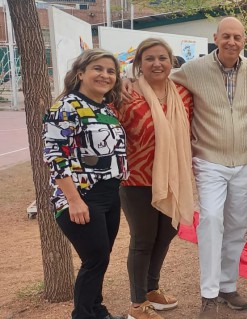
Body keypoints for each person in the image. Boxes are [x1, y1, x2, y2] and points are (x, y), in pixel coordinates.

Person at [122, 17, 247, 318]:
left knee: (238, 227)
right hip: (209, 160)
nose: (231, 42)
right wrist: (125, 77)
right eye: (226, 36)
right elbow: (155, 74)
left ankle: (227, 286)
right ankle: (209, 295)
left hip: (245, 162)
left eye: (237, 37)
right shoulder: (193, 70)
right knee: (211, 220)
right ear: (216, 37)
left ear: (244, 41)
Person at [43, 48, 127, 319]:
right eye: (98, 69)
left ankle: (96, 310)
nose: (105, 75)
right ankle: (83, 314)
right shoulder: (65, 107)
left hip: (109, 193)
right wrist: (74, 200)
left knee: (100, 259)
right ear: (80, 73)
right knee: (95, 259)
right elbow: (56, 157)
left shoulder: (106, 108)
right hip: (81, 195)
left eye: (111, 71)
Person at [114, 38, 194, 319]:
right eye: (149, 58)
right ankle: (138, 306)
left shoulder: (183, 94)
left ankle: (151, 289)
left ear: (171, 62)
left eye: (162, 58)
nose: (157, 63)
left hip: (175, 176)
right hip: (136, 179)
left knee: (168, 232)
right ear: (138, 64)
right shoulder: (125, 94)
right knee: (143, 238)